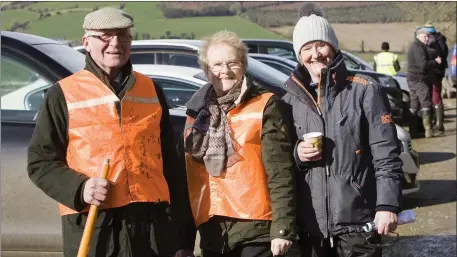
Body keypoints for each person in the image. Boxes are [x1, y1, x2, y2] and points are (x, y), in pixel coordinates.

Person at [27, 7, 195, 257]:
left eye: (123, 35)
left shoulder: (151, 90)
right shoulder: (62, 94)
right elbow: (40, 162)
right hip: (95, 228)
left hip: (152, 229)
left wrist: (182, 239)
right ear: (86, 42)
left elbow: (171, 166)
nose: (115, 43)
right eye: (105, 35)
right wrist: (80, 188)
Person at [283, 5, 404, 257]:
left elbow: (386, 154)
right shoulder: (290, 98)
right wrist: (298, 154)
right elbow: (280, 160)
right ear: (298, 55)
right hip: (312, 225)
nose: (315, 54)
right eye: (306, 48)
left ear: (334, 48)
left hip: (359, 221)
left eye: (321, 45)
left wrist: (387, 205)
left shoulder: (364, 90)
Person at [180, 30, 297, 257]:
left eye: (232, 63)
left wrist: (283, 229)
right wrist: (184, 239)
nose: (224, 71)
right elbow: (185, 179)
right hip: (212, 230)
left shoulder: (266, 105)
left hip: (257, 229)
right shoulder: (196, 114)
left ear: (243, 65)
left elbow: (281, 173)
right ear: (206, 71)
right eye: (216, 65)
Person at [407, 28, 442, 138]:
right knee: (426, 104)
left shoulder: (415, 46)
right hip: (419, 80)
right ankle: (428, 131)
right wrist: (435, 62)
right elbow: (423, 65)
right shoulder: (418, 47)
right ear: (418, 36)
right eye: (424, 36)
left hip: (412, 79)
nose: (427, 38)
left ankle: (413, 131)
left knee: (414, 105)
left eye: (428, 36)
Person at [423, 24, 448, 132]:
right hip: (438, 71)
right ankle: (438, 123)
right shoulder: (441, 40)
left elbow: (438, 56)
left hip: (434, 72)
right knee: (435, 95)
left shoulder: (434, 41)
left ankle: (438, 124)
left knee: (435, 96)